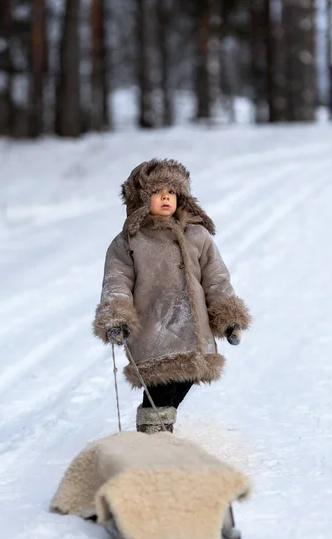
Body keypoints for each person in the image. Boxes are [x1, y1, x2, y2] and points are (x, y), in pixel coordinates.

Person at [93, 158, 251, 433]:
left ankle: (158, 430)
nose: (166, 197)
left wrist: (229, 318)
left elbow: (216, 279)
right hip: (153, 329)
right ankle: (154, 436)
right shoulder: (129, 242)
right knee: (160, 387)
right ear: (140, 199)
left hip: (194, 329)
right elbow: (116, 282)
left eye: (172, 192)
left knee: (183, 379)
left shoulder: (197, 236)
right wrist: (116, 316)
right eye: (157, 192)